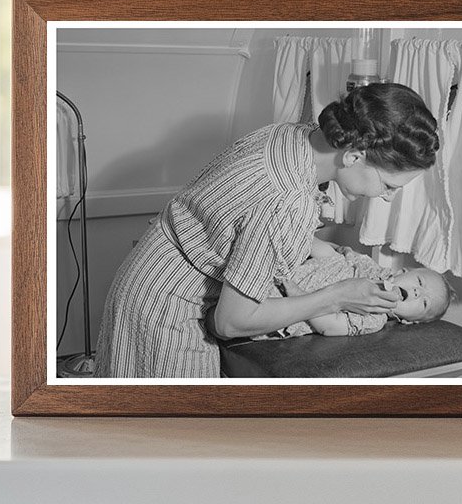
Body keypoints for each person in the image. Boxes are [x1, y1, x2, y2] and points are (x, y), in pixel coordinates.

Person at [92, 82, 440, 378]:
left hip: (145, 277)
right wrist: (337, 295)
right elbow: (230, 323)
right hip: (168, 311)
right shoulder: (289, 201)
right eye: (389, 185)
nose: (387, 198)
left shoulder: (290, 134)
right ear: (354, 155)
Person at [269, 239, 453, 338]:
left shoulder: (375, 318)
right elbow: (344, 255)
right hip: (293, 268)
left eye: (424, 302)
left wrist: (297, 294)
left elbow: (330, 327)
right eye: (419, 282)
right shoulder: (373, 269)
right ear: (402, 271)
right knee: (331, 254)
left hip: (288, 305)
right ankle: (293, 234)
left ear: (409, 321)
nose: (417, 292)